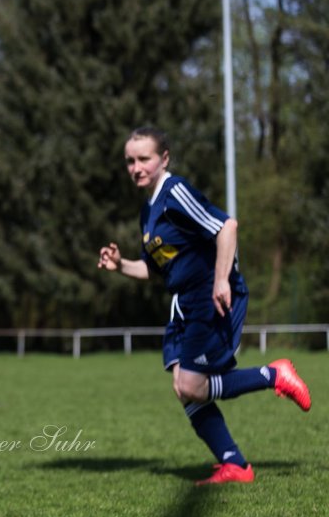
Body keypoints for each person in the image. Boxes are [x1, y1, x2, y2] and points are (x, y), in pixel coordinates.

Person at [97, 126, 311, 485]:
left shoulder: (175, 192)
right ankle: (235, 465)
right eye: (130, 161)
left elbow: (227, 227)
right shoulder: (148, 210)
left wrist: (222, 279)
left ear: (163, 158)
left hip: (207, 296)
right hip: (182, 302)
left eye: (144, 159)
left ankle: (275, 375)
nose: (136, 167)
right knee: (183, 387)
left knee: (194, 386)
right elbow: (153, 269)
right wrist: (119, 265)